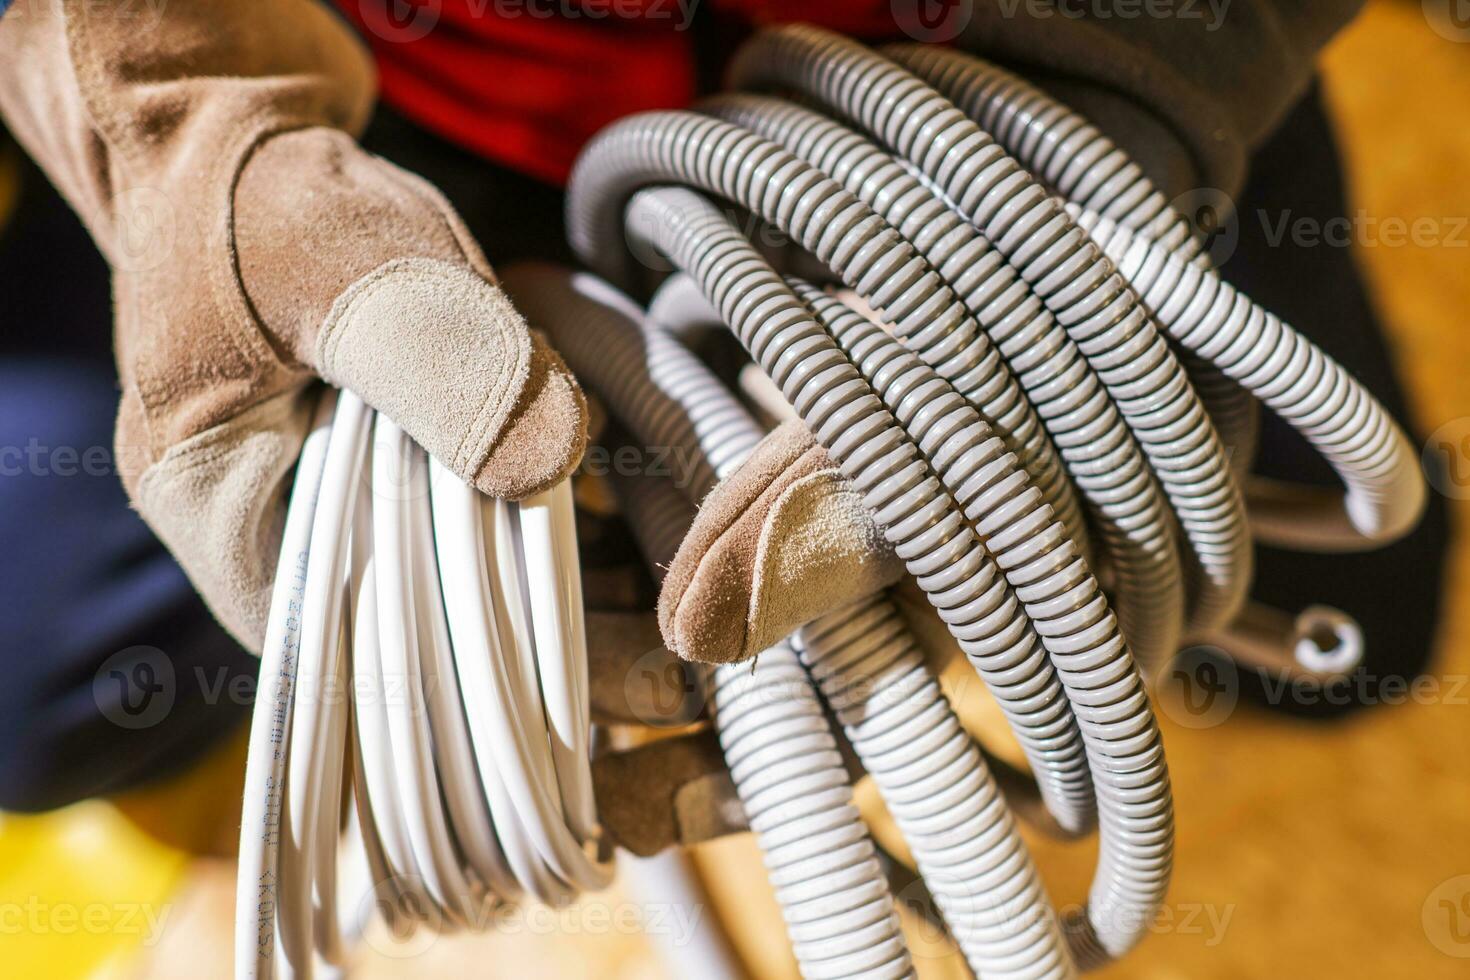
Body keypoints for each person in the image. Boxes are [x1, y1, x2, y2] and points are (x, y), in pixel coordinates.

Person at [0, 1, 1445, 851]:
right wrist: (177, 124)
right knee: (27, 666)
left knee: (1340, 637)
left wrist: (1133, 82)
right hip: (373, 110)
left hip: (1001, 92)